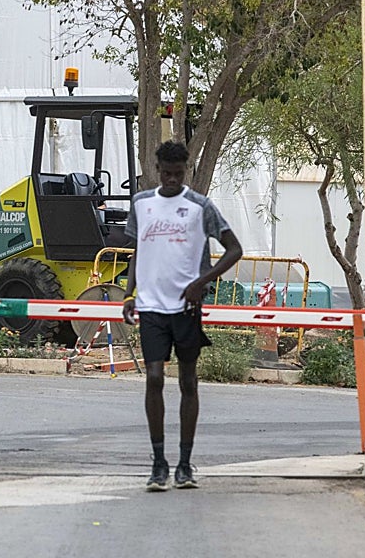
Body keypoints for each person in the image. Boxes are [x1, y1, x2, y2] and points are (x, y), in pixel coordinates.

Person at [122, 140, 242, 491]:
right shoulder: (141, 204)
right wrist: (129, 293)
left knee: (188, 382)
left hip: (186, 308)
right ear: (157, 171)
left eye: (179, 174)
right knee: (154, 378)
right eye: (167, 173)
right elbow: (137, 251)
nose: (173, 179)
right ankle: (159, 463)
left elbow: (234, 249)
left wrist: (201, 282)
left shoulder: (199, 207)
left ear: (185, 172)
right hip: (151, 306)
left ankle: (185, 464)